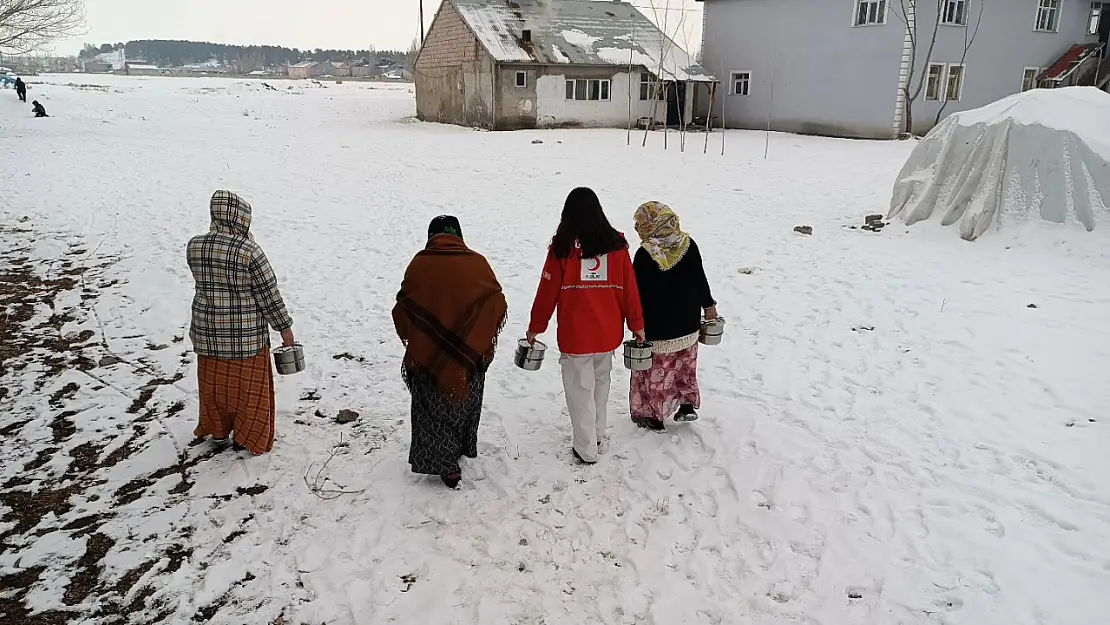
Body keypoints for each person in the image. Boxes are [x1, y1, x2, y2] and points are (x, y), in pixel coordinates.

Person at [528, 188, 645, 464]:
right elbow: (630, 289)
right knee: (600, 385)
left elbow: (547, 290)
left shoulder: (562, 247)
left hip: (576, 335)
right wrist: (637, 325)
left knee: (580, 391)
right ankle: (598, 434)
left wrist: (536, 325)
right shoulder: (617, 245)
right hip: (607, 334)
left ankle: (586, 448)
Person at [393, 216, 507, 489]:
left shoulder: (420, 263)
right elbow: (496, 301)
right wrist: (478, 338)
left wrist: (421, 337)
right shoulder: (477, 263)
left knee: (432, 410)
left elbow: (402, 308)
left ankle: (444, 466)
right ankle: (458, 450)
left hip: (429, 356)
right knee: (462, 405)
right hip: (469, 357)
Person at [187, 190, 295, 455]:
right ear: (241, 218)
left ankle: (219, 432)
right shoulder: (249, 251)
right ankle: (249, 437)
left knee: (215, 389)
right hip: (245, 339)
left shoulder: (195, 245)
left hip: (207, 335)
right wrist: (284, 327)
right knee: (248, 392)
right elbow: (268, 293)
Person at [629, 201, 718, 431]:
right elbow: (700, 281)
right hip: (688, 325)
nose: (638, 227)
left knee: (658, 373)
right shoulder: (688, 245)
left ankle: (654, 416)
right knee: (684, 367)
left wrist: (634, 322)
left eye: (641, 223)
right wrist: (709, 307)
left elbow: (635, 293)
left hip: (658, 328)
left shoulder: (645, 254)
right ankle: (687, 406)